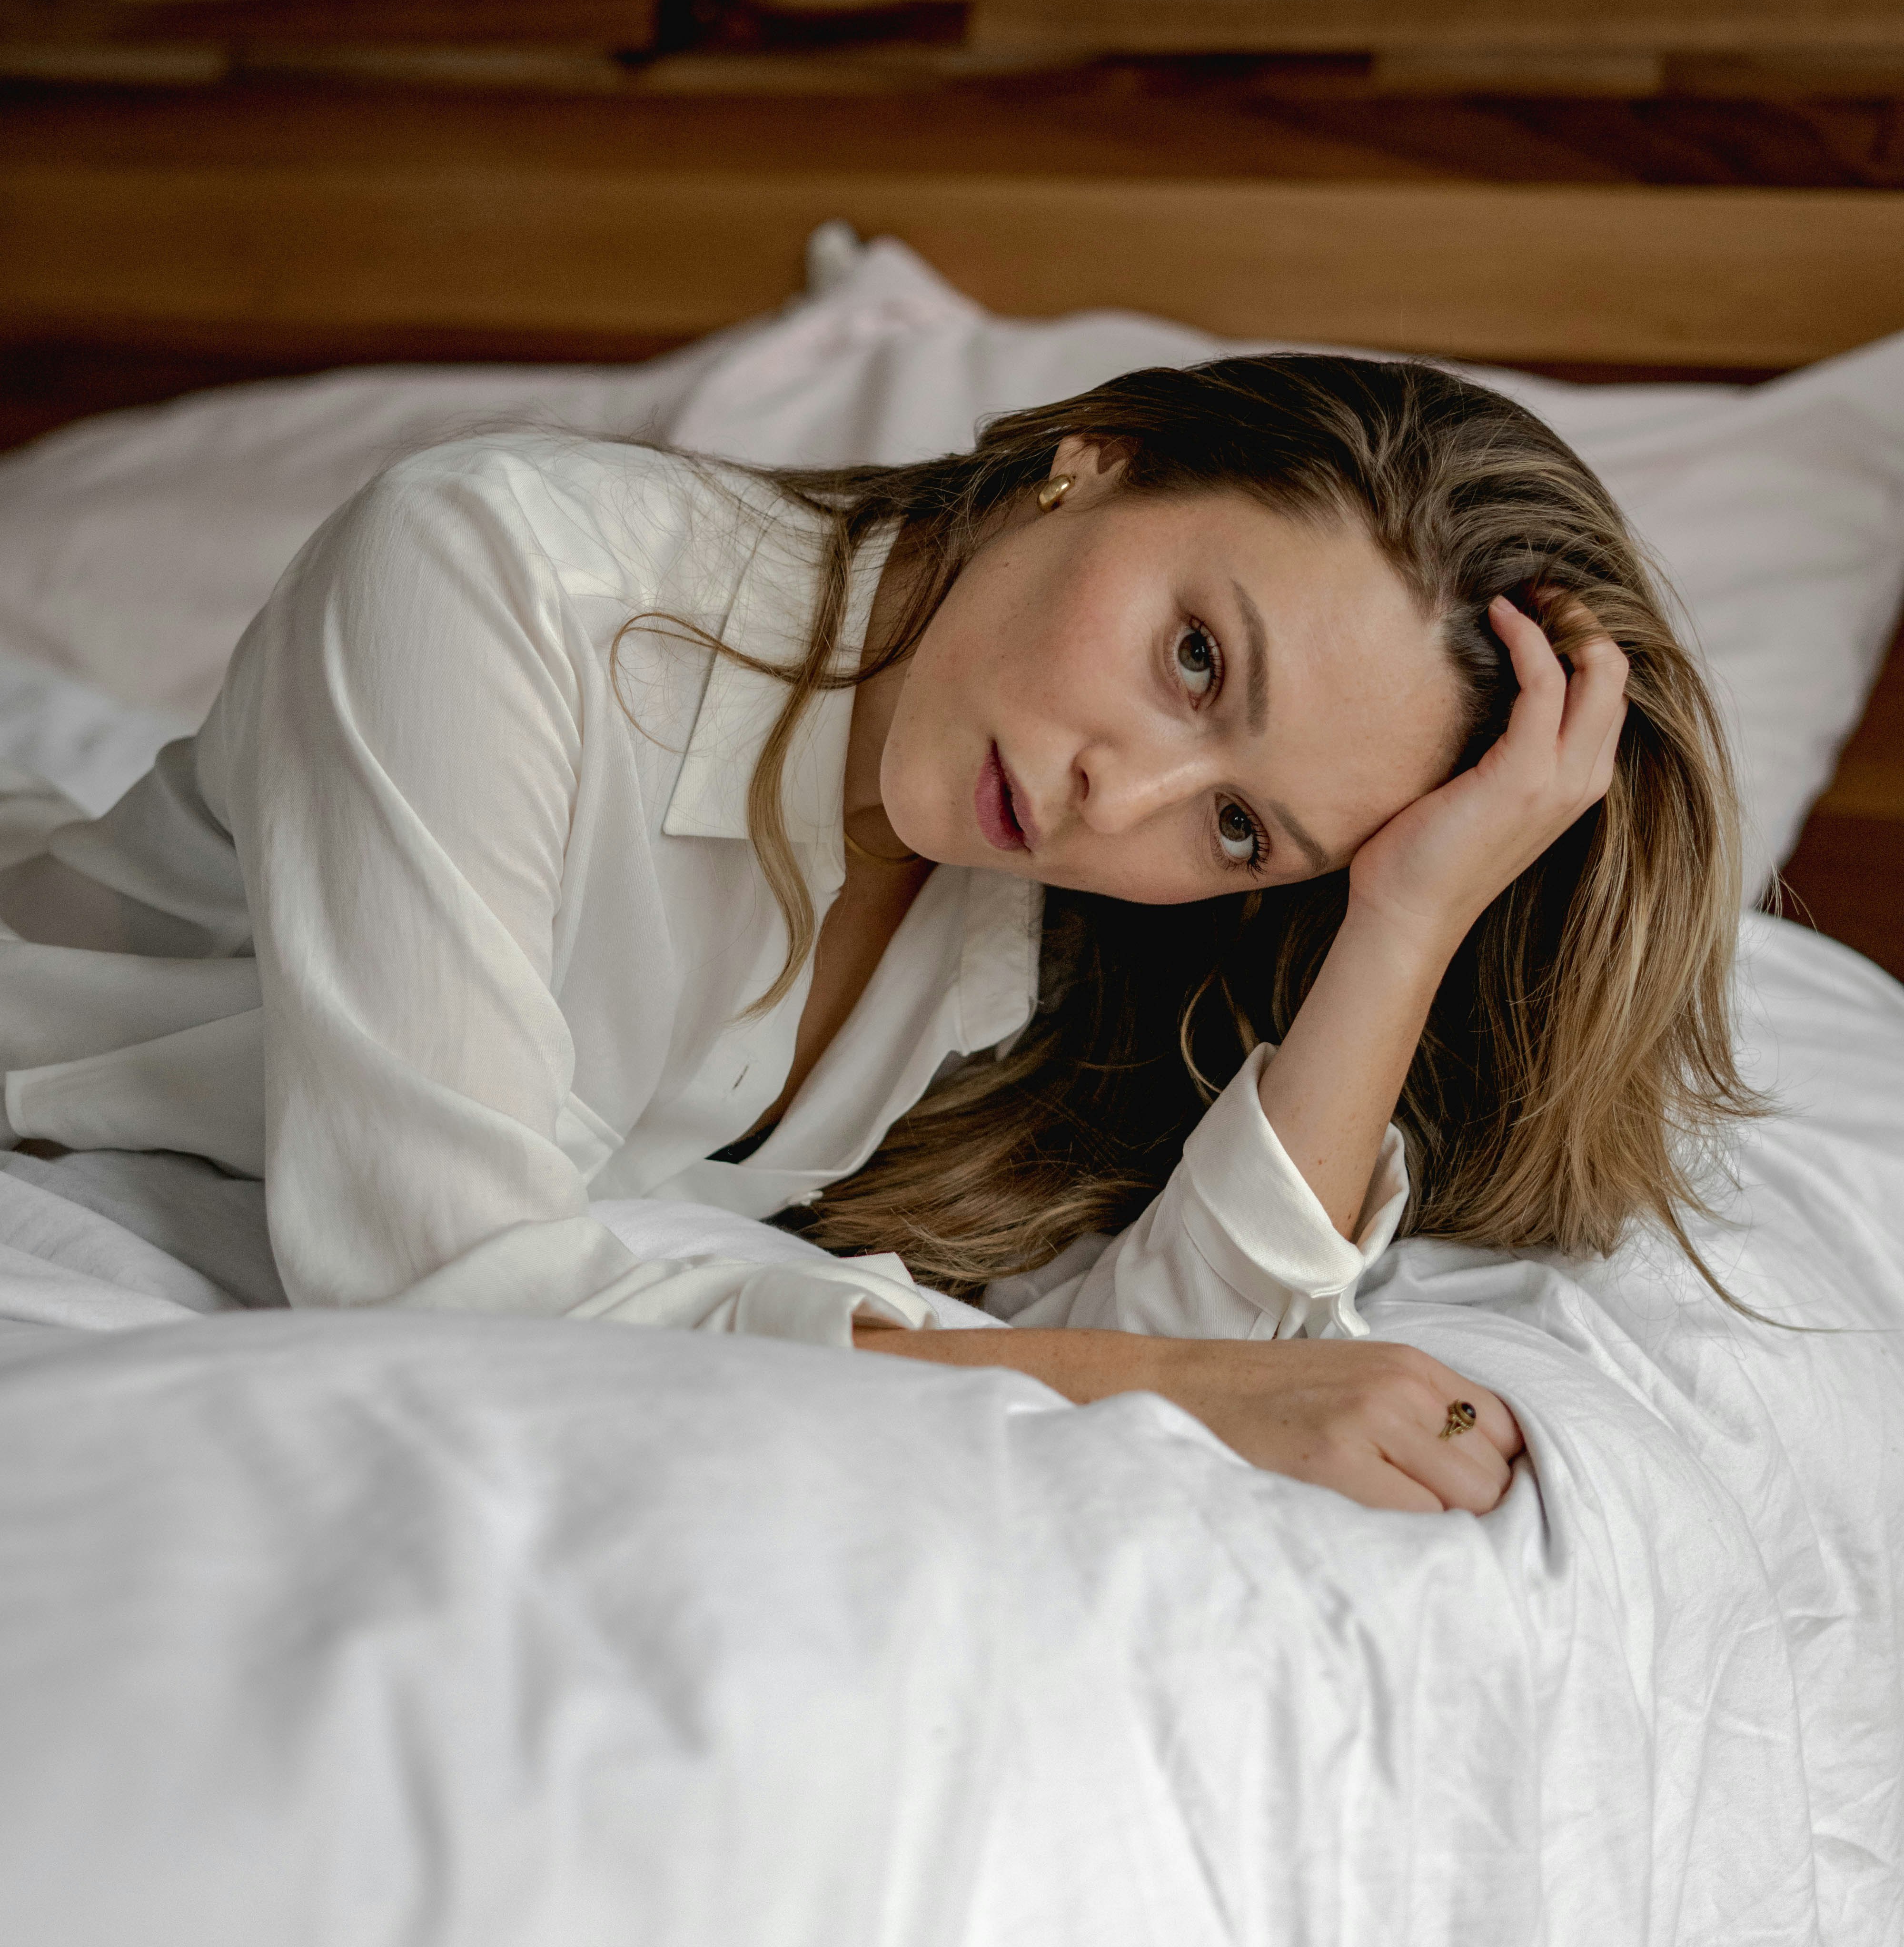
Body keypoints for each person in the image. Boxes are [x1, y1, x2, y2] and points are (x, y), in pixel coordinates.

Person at [0, 354, 1751, 1517]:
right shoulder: (493, 572)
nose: (1111, 802)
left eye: (1239, 828)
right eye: (1197, 657)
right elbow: (433, 1286)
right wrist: (1149, 1386)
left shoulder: (1032, 909)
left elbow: (1220, 1346)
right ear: (1096, 463)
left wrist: (1405, 916)